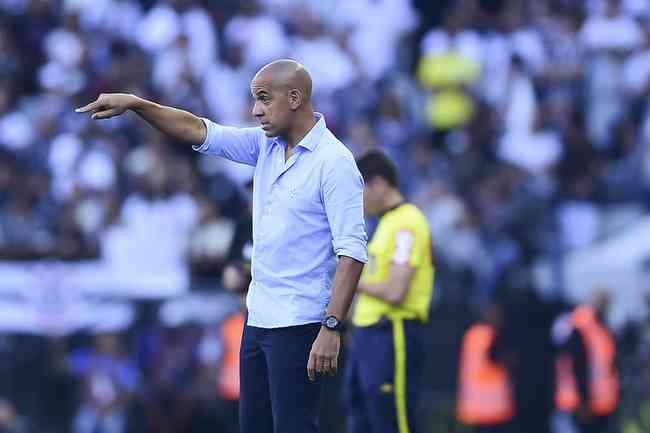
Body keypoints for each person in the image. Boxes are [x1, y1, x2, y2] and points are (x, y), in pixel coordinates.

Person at [76, 59, 368, 433]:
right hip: (258, 318)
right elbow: (198, 129)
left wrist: (331, 327)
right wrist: (136, 104)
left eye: (264, 99)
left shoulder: (334, 162)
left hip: (301, 323)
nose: (255, 110)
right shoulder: (266, 147)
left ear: (295, 98)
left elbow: (353, 252)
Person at [344, 150, 434, 433]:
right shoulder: (386, 225)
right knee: (362, 419)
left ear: (379, 184)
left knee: (391, 422)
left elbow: (396, 290)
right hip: (369, 336)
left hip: (391, 332)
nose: (357, 201)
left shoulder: (407, 223)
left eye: (360, 191)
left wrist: (348, 279)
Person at [554, 295, 619, 433]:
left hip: (599, 403)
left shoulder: (597, 327)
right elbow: (579, 366)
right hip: (585, 404)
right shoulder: (582, 328)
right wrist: (584, 401)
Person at [457, 303, 515, 433]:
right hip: (493, 405)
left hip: (474, 404)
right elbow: (497, 359)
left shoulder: (472, 334)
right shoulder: (493, 335)